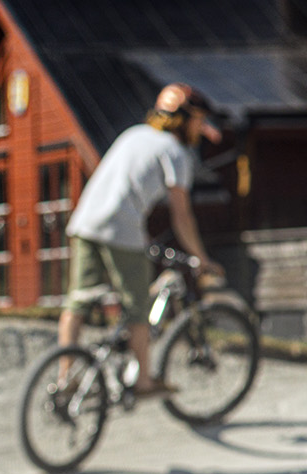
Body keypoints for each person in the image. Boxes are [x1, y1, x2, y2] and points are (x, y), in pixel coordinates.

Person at [56, 83, 224, 396]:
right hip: (120, 230)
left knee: (77, 301)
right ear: (184, 119)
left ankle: (65, 378)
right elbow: (182, 216)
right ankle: (143, 381)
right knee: (137, 308)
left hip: (84, 222)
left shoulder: (133, 134)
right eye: (199, 121)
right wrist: (201, 258)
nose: (201, 128)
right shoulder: (176, 152)